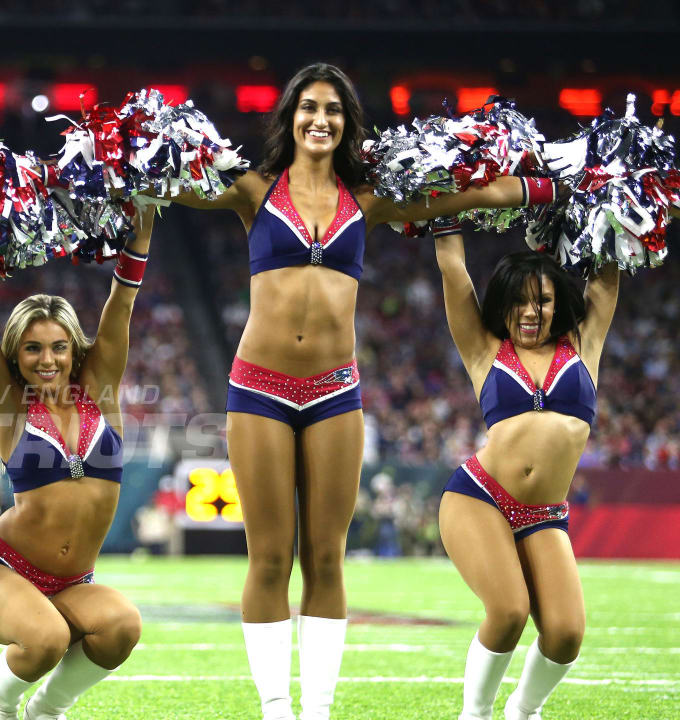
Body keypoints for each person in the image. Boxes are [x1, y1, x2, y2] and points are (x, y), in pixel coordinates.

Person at [164, 63, 557, 719]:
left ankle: (316, 711)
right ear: (289, 117)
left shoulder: (367, 198)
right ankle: (275, 708)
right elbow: (165, 184)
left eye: (335, 110)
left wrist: (557, 187)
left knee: (326, 556)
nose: (321, 119)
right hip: (257, 388)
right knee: (268, 559)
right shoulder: (255, 190)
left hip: (334, 392)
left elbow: (475, 196)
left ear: (347, 124)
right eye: (309, 107)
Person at [0, 210, 153, 720]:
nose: (48, 359)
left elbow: (121, 304)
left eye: (59, 347)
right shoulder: (10, 406)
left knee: (122, 626)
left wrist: (141, 238)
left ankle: (47, 709)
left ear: (74, 349)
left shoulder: (100, 396)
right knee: (44, 639)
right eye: (33, 348)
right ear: (16, 356)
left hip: (70, 581)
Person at [431, 219, 618, 720]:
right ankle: (476, 715)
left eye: (544, 300)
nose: (531, 312)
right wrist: (444, 205)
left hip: (543, 514)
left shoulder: (583, 346)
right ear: (503, 304)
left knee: (565, 635)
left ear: (560, 305)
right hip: (479, 497)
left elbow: (605, 276)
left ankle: (523, 710)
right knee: (509, 610)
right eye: (520, 300)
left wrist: (611, 200)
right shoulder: (486, 350)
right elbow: (453, 269)